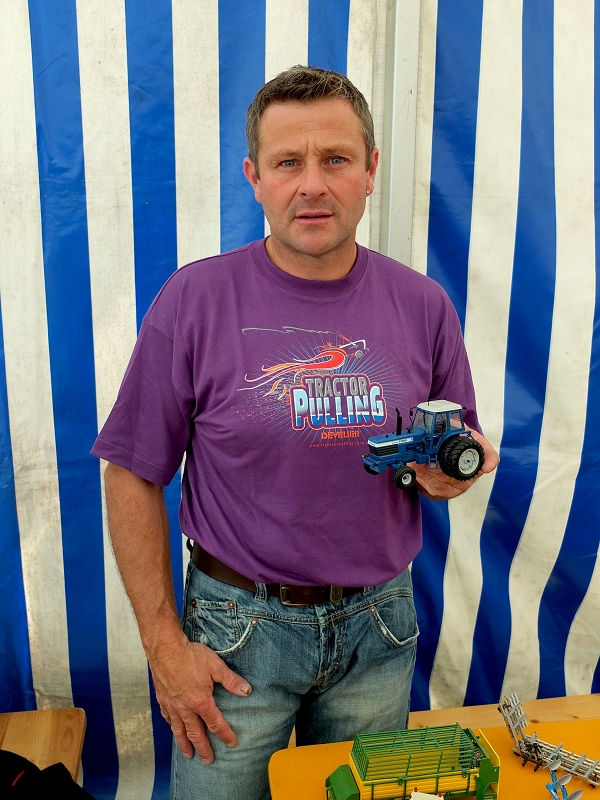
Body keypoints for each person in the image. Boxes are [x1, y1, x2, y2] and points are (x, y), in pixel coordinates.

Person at [92, 66, 499, 800]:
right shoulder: (195, 300)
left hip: (380, 625)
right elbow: (131, 470)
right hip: (236, 630)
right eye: (288, 162)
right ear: (255, 177)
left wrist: (448, 477)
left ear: (370, 170)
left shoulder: (424, 305)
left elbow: (447, 454)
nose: (313, 184)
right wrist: (164, 647)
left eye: (336, 159)